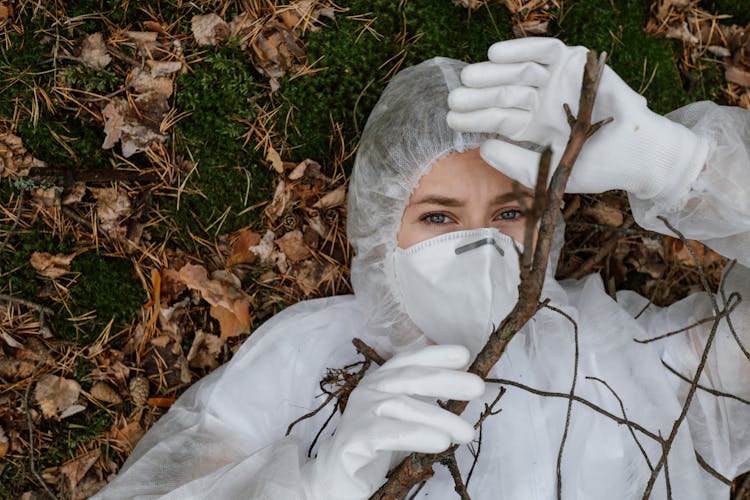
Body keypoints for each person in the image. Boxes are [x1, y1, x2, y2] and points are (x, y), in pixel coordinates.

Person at [93, 37, 750, 499]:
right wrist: (316, 487)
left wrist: (686, 168)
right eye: (438, 216)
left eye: (510, 211)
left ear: (547, 223)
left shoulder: (627, 357)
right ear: (382, 232)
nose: (480, 243)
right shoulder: (305, 359)